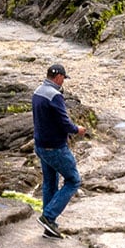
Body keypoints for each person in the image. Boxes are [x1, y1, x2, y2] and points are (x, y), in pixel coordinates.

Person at [32, 64, 86, 238]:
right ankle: (48, 216)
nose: (64, 81)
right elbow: (64, 122)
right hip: (55, 147)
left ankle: (49, 226)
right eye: (63, 78)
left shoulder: (38, 91)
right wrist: (77, 129)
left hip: (40, 145)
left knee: (50, 182)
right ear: (58, 77)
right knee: (73, 180)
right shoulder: (55, 96)